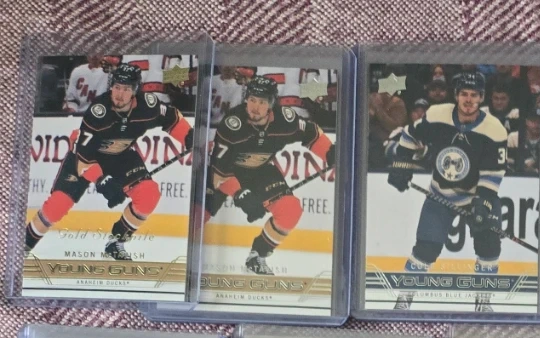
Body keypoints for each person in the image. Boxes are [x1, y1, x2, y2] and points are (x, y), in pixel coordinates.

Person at [26, 63, 192, 261]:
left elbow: (172, 118)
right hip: (85, 157)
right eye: (117, 87)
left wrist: (190, 137)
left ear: (135, 91)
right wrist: (101, 180)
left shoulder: (148, 105)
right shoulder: (99, 112)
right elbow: (83, 160)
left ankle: (115, 243)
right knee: (57, 205)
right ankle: (23, 246)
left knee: (148, 194)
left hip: (121, 156)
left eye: (126, 89)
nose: (119, 94)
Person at [385, 69, 509, 310]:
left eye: (474, 95)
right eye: (464, 94)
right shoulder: (436, 115)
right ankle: (404, 299)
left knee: (489, 245)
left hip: (476, 196)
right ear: (456, 95)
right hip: (440, 195)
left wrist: (483, 203)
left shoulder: (494, 130)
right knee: (426, 248)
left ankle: (483, 303)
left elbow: (493, 173)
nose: (469, 100)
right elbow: (409, 135)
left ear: (482, 97)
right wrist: (402, 164)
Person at [203, 75, 332, 275]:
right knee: (198, 213)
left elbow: (312, 133)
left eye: (262, 102)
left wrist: (330, 153)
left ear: (271, 104)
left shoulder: (284, 120)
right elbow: (218, 173)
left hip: (259, 170)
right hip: (226, 172)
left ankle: (257, 257)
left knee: (290, 210)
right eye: (252, 100)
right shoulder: (232, 125)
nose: (255, 107)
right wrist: (240, 194)